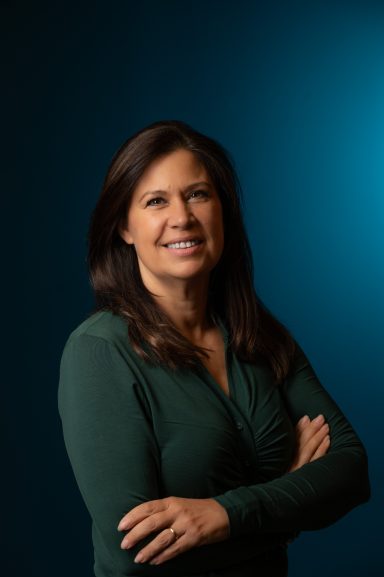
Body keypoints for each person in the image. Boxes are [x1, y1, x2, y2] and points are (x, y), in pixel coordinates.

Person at [58, 120, 370, 577]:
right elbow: (136, 556)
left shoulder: (262, 337)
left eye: (198, 194)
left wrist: (224, 516)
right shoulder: (99, 352)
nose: (182, 217)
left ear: (223, 210)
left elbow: (351, 472)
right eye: (156, 201)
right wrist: (286, 501)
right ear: (124, 226)